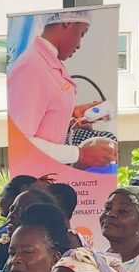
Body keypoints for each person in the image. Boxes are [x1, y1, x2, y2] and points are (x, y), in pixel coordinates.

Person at [7, 13, 120, 174]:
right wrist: (79, 154)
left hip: (47, 178)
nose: (80, 44)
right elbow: (21, 142)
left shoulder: (47, 63)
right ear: (68, 22)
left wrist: (71, 117)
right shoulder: (31, 67)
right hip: (34, 184)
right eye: (82, 33)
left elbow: (41, 119)